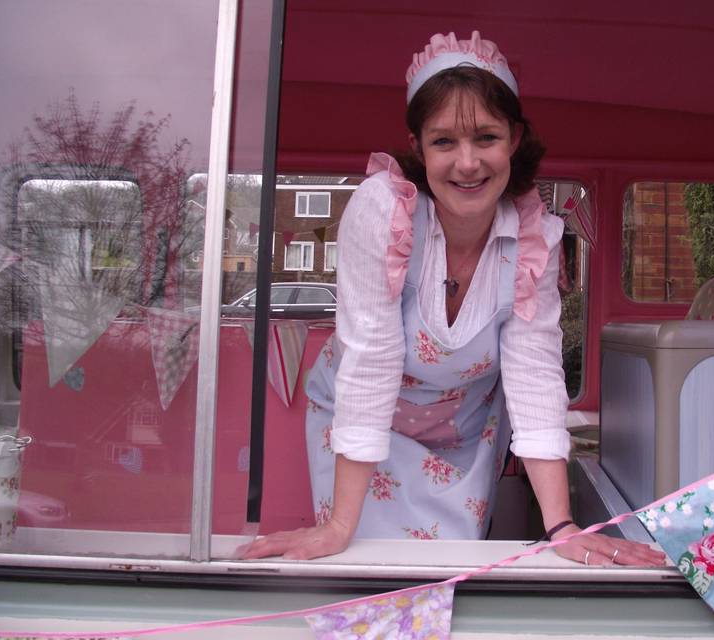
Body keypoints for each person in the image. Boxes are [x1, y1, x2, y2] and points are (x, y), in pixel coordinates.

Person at [241, 31, 665, 568]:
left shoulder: (536, 236)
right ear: (418, 147)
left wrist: (561, 526)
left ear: (513, 139)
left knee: (447, 572)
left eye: (485, 137)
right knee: (362, 561)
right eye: (444, 142)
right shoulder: (382, 212)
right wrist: (338, 525)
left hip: (465, 437)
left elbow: (533, 374)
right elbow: (370, 359)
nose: (467, 164)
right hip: (364, 426)